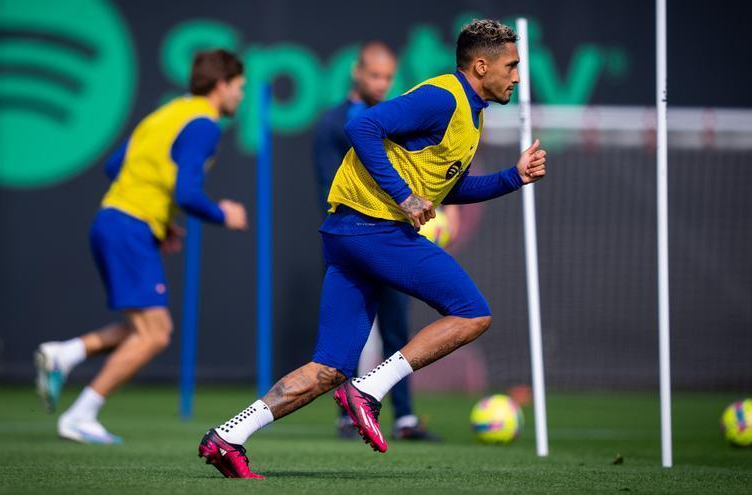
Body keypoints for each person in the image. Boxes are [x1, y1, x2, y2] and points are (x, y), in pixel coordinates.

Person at [199, 19, 546, 479]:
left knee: (327, 369)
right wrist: (403, 196)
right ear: (481, 65)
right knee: (472, 312)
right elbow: (363, 126)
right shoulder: (443, 96)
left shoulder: (471, 114)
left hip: (349, 234)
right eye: (512, 65)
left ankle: (227, 436)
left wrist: (513, 177)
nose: (518, 76)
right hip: (372, 229)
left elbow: (448, 189)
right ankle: (368, 390)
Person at [34, 49, 248, 444]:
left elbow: (116, 166)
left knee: (143, 326)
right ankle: (81, 415)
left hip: (113, 220)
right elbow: (187, 192)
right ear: (221, 85)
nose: (241, 95)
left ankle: (67, 353)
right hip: (129, 227)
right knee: (156, 334)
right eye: (239, 87)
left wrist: (160, 221)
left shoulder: (168, 112)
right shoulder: (204, 124)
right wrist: (223, 214)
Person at [312, 41, 439, 442]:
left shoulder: (393, 119)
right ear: (357, 72)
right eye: (375, 75)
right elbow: (329, 188)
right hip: (351, 240)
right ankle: (346, 415)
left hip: (390, 239)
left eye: (388, 76)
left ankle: (404, 418)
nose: (382, 83)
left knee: (397, 330)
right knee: (348, 335)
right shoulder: (333, 123)